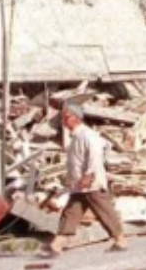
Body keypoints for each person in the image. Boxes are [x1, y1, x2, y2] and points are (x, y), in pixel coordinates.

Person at [50, 103, 128, 253]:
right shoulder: (75, 137)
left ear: (75, 118)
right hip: (79, 184)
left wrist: (89, 175)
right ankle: (57, 244)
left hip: (90, 183)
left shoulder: (88, 135)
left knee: (105, 211)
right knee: (71, 213)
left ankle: (120, 239)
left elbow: (95, 156)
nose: (64, 121)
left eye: (66, 117)